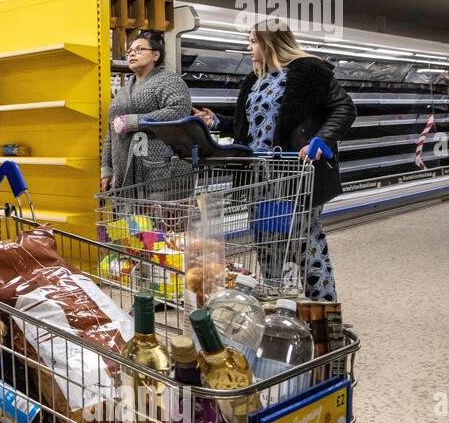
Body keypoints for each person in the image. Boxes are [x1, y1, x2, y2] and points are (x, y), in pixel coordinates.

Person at [194, 17, 356, 301]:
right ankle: (276, 304)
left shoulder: (309, 71)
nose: (249, 47)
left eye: (253, 41)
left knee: (304, 242)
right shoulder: (254, 80)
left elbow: (344, 108)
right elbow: (250, 126)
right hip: (260, 179)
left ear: (271, 42)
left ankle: (324, 310)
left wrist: (321, 139)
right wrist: (217, 121)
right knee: (268, 243)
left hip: (295, 174)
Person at [99, 31, 192, 194]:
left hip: (161, 175)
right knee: (132, 220)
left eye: (139, 49)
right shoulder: (122, 92)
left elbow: (179, 110)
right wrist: (106, 168)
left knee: (159, 219)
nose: (132, 53)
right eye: (129, 51)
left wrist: (135, 121)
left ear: (155, 55)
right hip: (126, 178)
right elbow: (111, 131)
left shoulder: (169, 80)